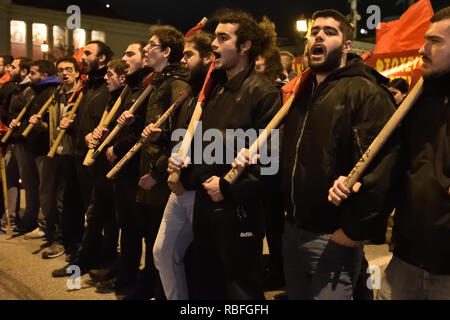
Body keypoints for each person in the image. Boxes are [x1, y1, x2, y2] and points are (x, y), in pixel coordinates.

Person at [329, 6, 450, 300]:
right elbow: (392, 170)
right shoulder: (421, 99)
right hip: (406, 262)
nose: (423, 48)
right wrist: (355, 189)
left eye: (435, 41)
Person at [279, 9, 396, 300]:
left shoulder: (365, 92)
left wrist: (352, 232)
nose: (318, 35)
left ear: (346, 45)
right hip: (292, 232)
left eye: (330, 32)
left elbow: (383, 172)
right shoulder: (302, 93)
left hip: (332, 238)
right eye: (315, 31)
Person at [170, 9, 281, 299]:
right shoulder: (216, 89)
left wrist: (228, 187)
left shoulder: (264, 92)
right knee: (206, 283)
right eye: (214, 37)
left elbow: (269, 163)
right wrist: (183, 163)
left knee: (240, 288)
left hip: (240, 211)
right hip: (205, 207)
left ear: (244, 46)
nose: (214, 45)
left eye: (223, 38)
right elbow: (203, 146)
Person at [152, 32, 214, 300]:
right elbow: (180, 135)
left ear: (208, 58)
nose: (183, 59)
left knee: (206, 261)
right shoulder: (189, 93)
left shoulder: (215, 93)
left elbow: (222, 139)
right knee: (162, 252)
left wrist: (195, 160)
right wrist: (161, 140)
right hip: (177, 185)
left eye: (189, 54)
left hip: (199, 187)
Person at [52, 40, 112, 277]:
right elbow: (85, 118)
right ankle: (84, 253)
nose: (81, 57)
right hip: (78, 155)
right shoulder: (87, 86)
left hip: (96, 159)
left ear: (102, 59)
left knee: (98, 212)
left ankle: (90, 258)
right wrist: (71, 124)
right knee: (81, 207)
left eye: (88, 53)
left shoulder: (108, 86)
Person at [39, 56, 82, 259]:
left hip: (73, 153)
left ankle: (64, 240)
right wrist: (40, 125)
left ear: (76, 73)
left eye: (69, 69)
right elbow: (54, 127)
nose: (65, 73)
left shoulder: (81, 95)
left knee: (66, 200)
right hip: (56, 152)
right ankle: (58, 236)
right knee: (53, 195)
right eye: (61, 70)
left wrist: (73, 125)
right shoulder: (56, 96)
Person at [0, 57, 33, 234]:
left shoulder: (29, 91)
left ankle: (28, 219)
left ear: (23, 71)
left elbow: (30, 116)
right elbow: (7, 113)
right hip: (12, 140)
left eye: (12, 67)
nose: (8, 70)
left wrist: (19, 127)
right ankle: (10, 218)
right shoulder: (14, 88)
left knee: (28, 182)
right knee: (10, 178)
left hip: (22, 142)